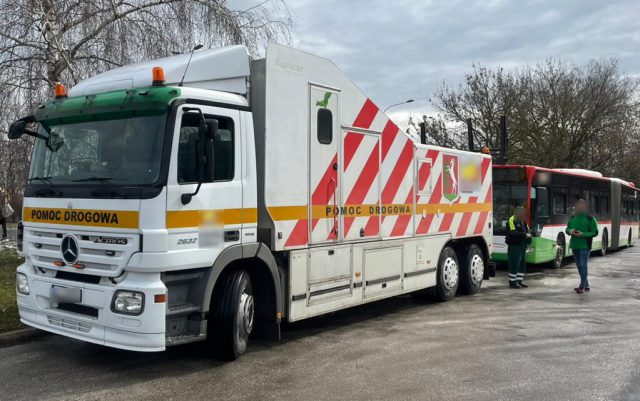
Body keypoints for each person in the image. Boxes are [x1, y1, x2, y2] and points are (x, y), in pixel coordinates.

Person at [565, 199, 598, 294]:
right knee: (579, 266)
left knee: (583, 265)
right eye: (578, 205)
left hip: (585, 246)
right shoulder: (572, 218)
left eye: (581, 205)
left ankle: (582, 286)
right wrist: (570, 231)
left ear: (585, 207)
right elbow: (567, 228)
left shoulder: (590, 219)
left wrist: (583, 234)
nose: (579, 207)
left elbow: (595, 232)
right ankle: (586, 284)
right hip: (574, 245)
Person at [506, 206, 531, 288]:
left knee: (522, 264)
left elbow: (527, 230)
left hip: (522, 245)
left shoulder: (523, 221)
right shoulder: (511, 220)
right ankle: (512, 283)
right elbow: (513, 233)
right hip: (514, 246)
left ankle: (519, 281)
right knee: (514, 264)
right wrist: (525, 235)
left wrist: (529, 237)